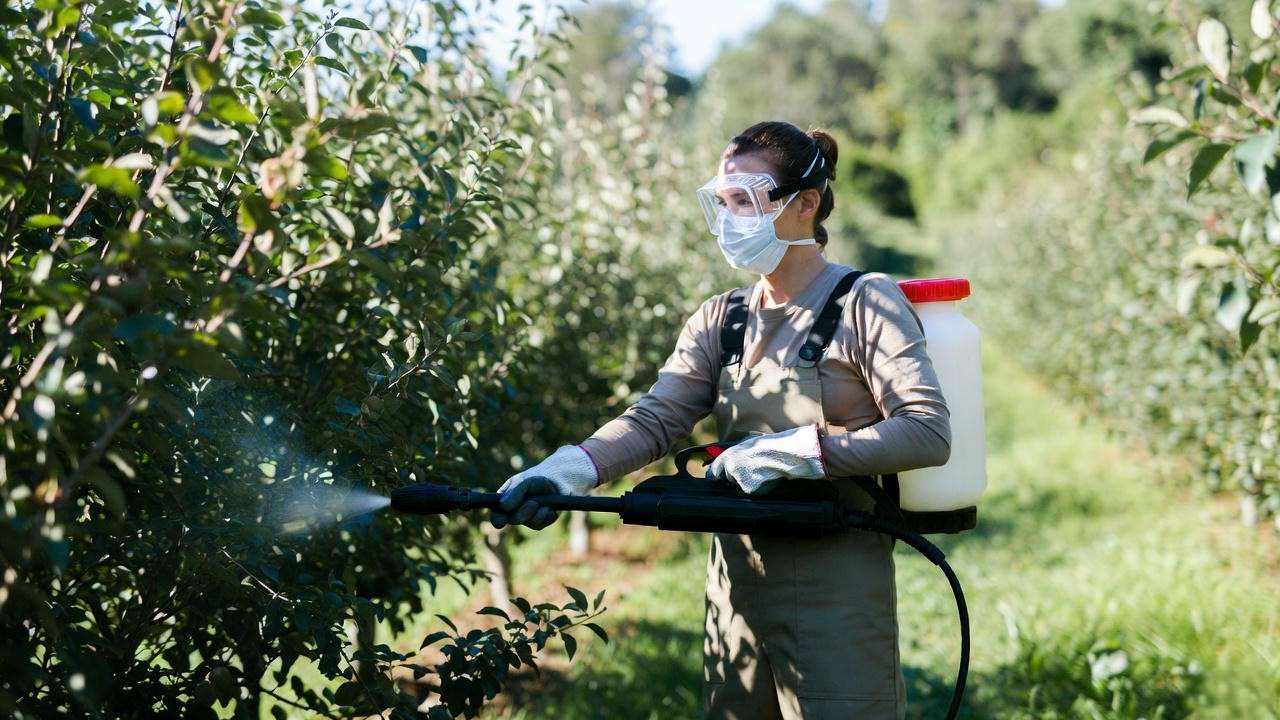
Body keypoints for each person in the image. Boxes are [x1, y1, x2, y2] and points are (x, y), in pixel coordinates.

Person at [489, 120, 951, 720]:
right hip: (735, 584)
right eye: (725, 201)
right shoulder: (721, 319)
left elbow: (926, 429)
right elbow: (656, 418)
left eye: (747, 201)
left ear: (805, 204)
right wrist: (570, 469)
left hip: (837, 582)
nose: (733, 218)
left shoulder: (865, 302)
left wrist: (802, 452)